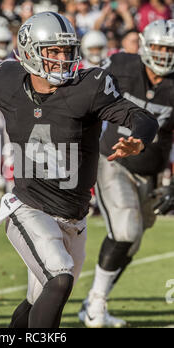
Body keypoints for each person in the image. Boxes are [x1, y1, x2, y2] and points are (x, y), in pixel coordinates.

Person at [0, 12, 158, 328]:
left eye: (66, 50)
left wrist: (139, 139)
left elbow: (141, 117)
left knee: (38, 300)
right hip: (30, 207)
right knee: (60, 278)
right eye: (53, 51)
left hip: (74, 216)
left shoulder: (88, 88)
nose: (62, 58)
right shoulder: (8, 83)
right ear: (29, 51)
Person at [78, 19, 174, 328]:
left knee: (131, 244)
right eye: (158, 47)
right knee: (126, 232)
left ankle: (93, 302)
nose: (163, 55)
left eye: (169, 49)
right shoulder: (121, 65)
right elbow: (85, 93)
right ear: (145, 45)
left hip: (152, 173)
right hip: (113, 161)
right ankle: (95, 306)